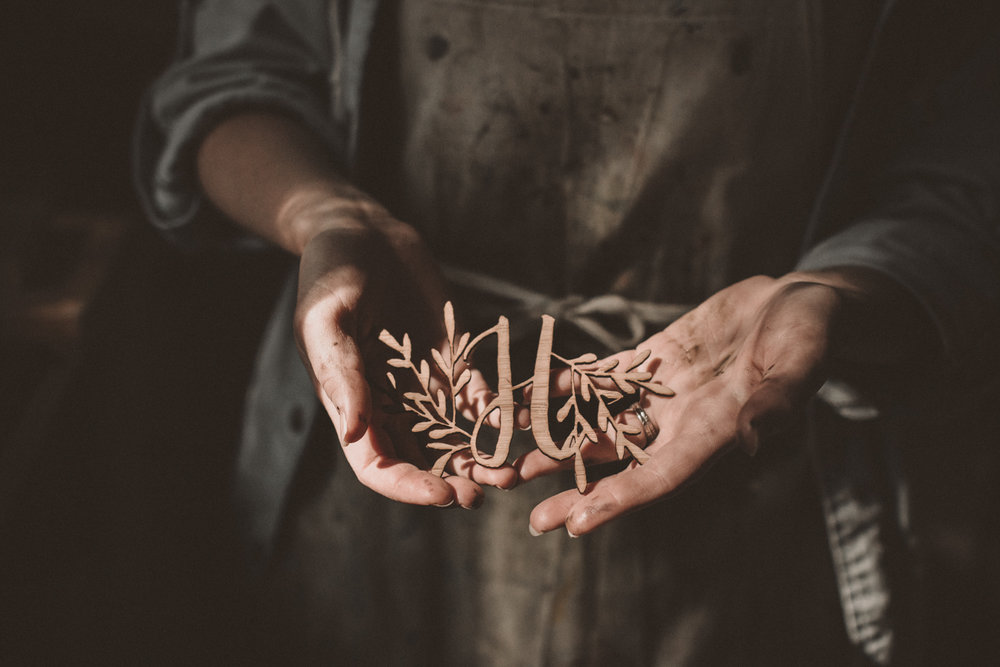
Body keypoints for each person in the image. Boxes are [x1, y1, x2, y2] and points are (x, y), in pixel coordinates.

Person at [134, 1, 1000, 664]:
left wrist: (839, 289)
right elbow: (230, 77)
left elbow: (974, 142)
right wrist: (322, 209)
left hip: (753, 477)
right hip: (385, 459)